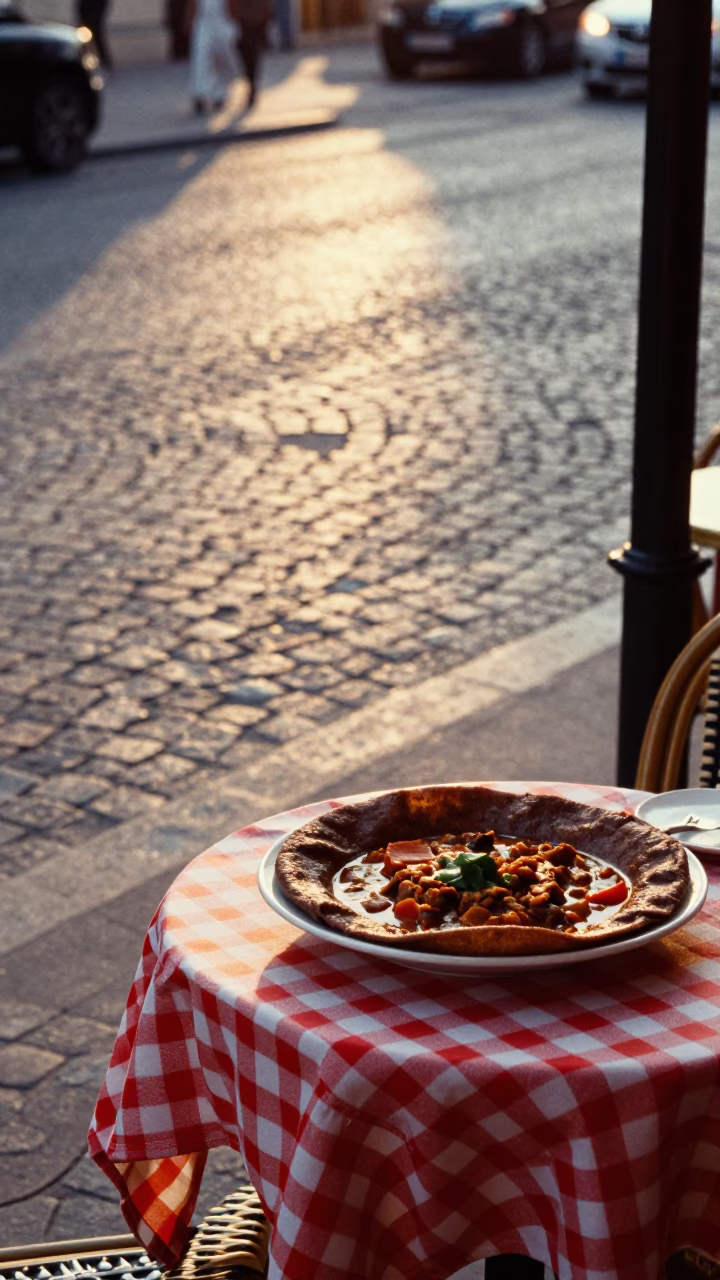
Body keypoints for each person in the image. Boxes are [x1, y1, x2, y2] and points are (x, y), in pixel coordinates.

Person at [188, 0, 240, 114]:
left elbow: (234, 6)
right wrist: (191, 23)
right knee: (201, 59)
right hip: (204, 24)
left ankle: (220, 95)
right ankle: (200, 95)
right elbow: (193, 5)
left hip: (223, 23)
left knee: (223, 60)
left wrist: (234, 24)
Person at [229, 0, 273, 108]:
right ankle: (250, 81)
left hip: (255, 21)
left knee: (253, 56)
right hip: (243, 22)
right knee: (245, 56)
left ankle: (252, 84)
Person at [76, 0, 113, 69]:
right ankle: (104, 63)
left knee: (94, 34)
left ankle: (104, 63)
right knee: (91, 35)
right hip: (90, 7)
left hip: (92, 7)